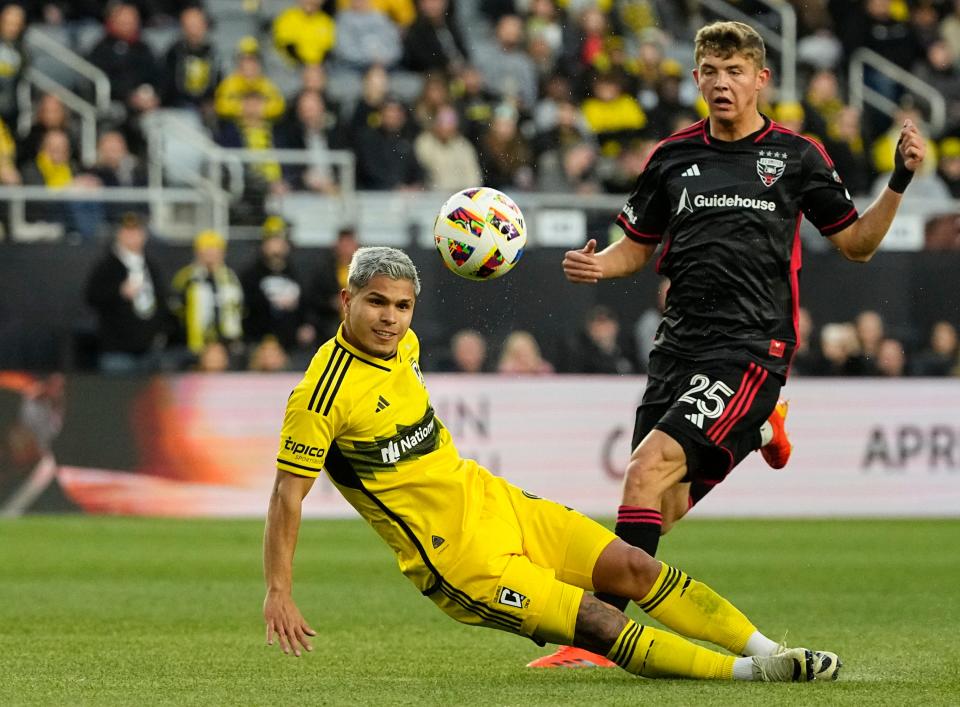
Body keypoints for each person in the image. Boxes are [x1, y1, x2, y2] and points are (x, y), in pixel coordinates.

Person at [262, 246, 842, 684]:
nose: (390, 318)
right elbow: (288, 496)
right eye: (376, 303)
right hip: (459, 560)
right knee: (596, 622)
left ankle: (765, 648)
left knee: (634, 567)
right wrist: (279, 591)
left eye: (402, 306)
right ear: (347, 301)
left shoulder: (405, 348)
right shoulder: (320, 396)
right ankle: (754, 676)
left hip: (498, 504)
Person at [535, 20, 926, 667]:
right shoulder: (671, 157)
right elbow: (637, 246)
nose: (722, 83)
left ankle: (594, 643)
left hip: (750, 346)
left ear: (761, 80)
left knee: (643, 469)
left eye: (735, 71)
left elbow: (855, 244)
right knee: (659, 504)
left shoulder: (796, 157)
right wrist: (597, 265)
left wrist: (900, 181)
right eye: (710, 72)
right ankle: (762, 428)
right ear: (695, 79)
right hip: (677, 347)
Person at [84, 213, 169, 374]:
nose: (132, 236)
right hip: (118, 351)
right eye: (127, 232)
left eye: (136, 232)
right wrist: (119, 291)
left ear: (144, 235)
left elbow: (162, 300)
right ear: (119, 234)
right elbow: (91, 297)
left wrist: (159, 332)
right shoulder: (107, 266)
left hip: (150, 350)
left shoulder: (151, 265)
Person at [169, 229, 244, 359]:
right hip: (194, 344)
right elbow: (175, 309)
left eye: (214, 251)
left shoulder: (231, 278)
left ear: (222, 253)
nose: (210, 255)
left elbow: (238, 308)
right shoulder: (186, 277)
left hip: (227, 344)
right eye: (206, 251)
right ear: (198, 253)